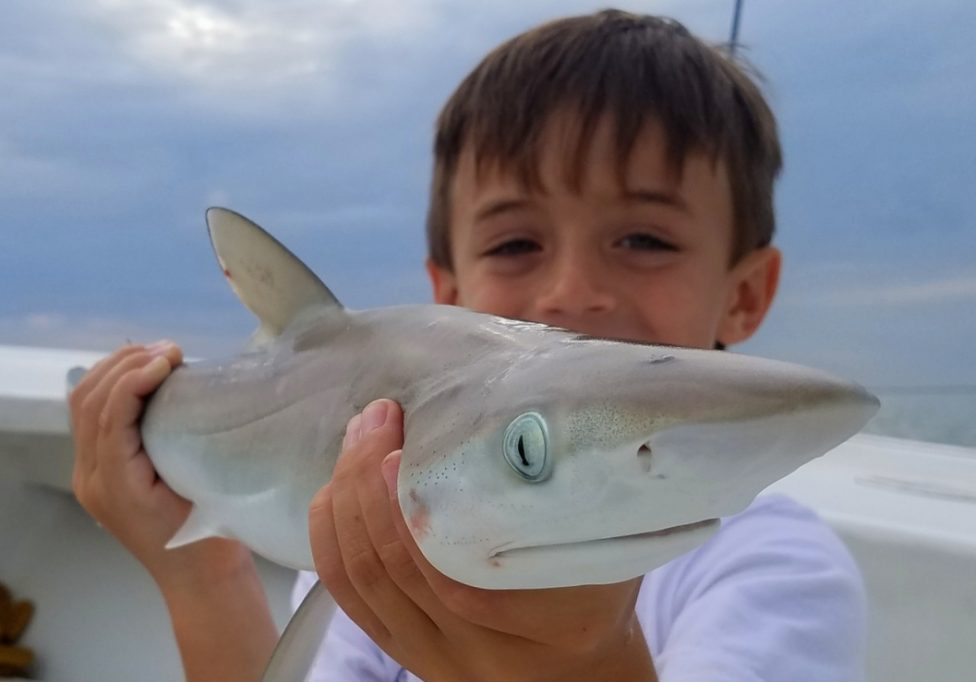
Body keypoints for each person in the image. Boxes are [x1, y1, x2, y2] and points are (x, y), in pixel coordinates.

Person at [69, 9, 866, 682]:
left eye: (643, 238)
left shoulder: (775, 572)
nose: (571, 292)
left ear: (747, 292)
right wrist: (197, 573)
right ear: (443, 291)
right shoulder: (370, 524)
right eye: (517, 243)